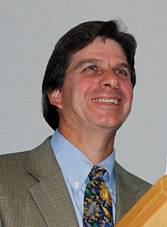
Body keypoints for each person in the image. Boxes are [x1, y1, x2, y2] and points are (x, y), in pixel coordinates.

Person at [0, 20, 151, 227]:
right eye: (92, 68)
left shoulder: (153, 201)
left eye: (121, 72)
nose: (112, 80)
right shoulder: (4, 181)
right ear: (56, 93)